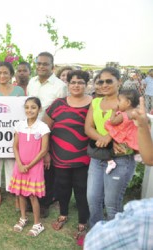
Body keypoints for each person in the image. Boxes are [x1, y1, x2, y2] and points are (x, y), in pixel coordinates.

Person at [43, 70, 92, 242]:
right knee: (62, 187)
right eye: (73, 82)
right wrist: (47, 152)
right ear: (68, 84)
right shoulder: (58, 103)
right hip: (59, 155)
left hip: (84, 157)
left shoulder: (93, 104)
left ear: (86, 85)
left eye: (80, 82)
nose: (76, 85)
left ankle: (82, 222)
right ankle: (63, 214)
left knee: (82, 189)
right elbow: (45, 128)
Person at [84, 67, 136, 229]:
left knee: (112, 203)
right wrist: (105, 139)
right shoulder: (96, 102)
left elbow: (133, 129)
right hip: (98, 156)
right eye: (100, 81)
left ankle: (115, 239)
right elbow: (88, 128)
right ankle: (97, 235)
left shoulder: (126, 104)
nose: (104, 84)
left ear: (119, 82)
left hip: (120, 159)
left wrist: (111, 137)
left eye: (109, 81)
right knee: (93, 199)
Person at [26, 51, 67, 218]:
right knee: (33, 165)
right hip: (31, 131)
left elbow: (61, 113)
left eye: (45, 64)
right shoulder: (32, 82)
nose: (41, 66)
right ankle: (31, 199)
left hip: (51, 133)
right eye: (39, 63)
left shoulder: (60, 86)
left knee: (48, 168)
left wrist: (48, 146)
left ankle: (45, 203)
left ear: (52, 66)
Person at [0, 61, 25, 208]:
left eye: (5, 73)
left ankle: (15, 194)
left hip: (14, 133)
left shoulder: (19, 91)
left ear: (11, 75)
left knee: (12, 164)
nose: (2, 76)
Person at [8, 97, 50, 237]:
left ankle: (37, 224)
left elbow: (43, 150)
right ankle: (23, 218)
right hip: (19, 166)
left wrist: (29, 165)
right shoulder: (19, 125)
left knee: (32, 195)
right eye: (27, 107)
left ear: (39, 109)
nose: (29, 110)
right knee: (20, 193)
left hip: (35, 167)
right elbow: (15, 146)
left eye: (33, 107)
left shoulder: (43, 127)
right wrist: (20, 164)